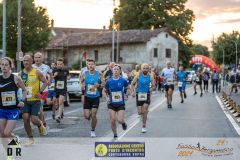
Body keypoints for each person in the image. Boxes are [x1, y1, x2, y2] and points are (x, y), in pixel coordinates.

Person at [0, 57, 26, 155]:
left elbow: (24, 90)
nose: (4, 67)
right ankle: (9, 154)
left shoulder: (15, 78)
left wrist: (22, 100)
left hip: (13, 110)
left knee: (7, 133)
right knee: (2, 135)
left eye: (6, 65)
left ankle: (15, 139)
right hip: (1, 110)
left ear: (10, 66)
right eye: (2, 65)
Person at [20, 55, 48, 145]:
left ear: (31, 61)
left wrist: (40, 91)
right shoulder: (21, 74)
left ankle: (40, 124)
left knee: (34, 119)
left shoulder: (37, 72)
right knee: (25, 118)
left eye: (27, 60)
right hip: (25, 100)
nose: (25, 62)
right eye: (24, 61)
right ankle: (30, 138)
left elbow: (45, 82)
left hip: (35, 100)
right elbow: (17, 85)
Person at [104, 64, 130, 139]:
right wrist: (107, 98)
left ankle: (123, 123)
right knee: (112, 120)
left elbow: (128, 88)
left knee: (120, 120)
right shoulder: (109, 81)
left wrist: (126, 95)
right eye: (114, 69)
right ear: (112, 71)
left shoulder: (123, 80)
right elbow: (104, 91)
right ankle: (115, 134)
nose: (115, 70)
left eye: (117, 69)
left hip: (120, 103)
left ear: (120, 71)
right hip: (111, 103)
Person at [80, 59, 104, 138]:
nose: (91, 66)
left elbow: (104, 83)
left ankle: (93, 130)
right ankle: (90, 116)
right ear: (87, 66)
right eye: (89, 64)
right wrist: (82, 85)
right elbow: (81, 81)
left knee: (93, 115)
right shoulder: (85, 73)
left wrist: (99, 85)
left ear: (95, 65)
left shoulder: (99, 74)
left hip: (95, 97)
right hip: (87, 97)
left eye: (92, 64)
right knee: (87, 116)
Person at [131, 63, 155, 133]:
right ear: (141, 69)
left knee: (144, 110)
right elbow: (132, 84)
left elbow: (154, 86)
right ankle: (142, 115)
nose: (145, 69)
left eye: (146, 68)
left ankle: (144, 126)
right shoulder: (138, 75)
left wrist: (151, 89)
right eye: (143, 68)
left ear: (148, 69)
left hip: (146, 94)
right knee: (139, 112)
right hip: (139, 94)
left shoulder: (150, 76)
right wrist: (133, 92)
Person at [33, 52, 53, 134]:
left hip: (43, 90)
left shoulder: (46, 67)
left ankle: (43, 125)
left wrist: (49, 81)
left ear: (42, 58)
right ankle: (44, 124)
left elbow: (51, 75)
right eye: (35, 57)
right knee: (40, 110)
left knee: (39, 108)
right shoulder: (32, 67)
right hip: (34, 91)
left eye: (39, 57)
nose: (37, 59)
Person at [53, 58, 70, 123]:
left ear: (63, 64)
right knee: (57, 103)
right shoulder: (55, 70)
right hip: (57, 89)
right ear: (56, 65)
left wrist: (68, 77)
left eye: (61, 64)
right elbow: (52, 78)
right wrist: (54, 75)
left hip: (63, 89)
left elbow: (68, 77)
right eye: (58, 64)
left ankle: (59, 116)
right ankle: (61, 112)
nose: (59, 65)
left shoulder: (66, 70)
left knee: (61, 102)